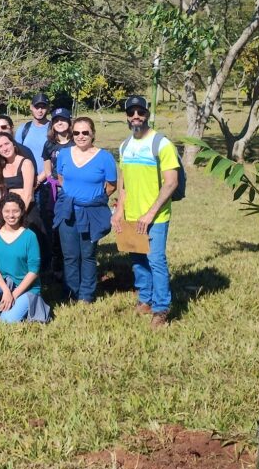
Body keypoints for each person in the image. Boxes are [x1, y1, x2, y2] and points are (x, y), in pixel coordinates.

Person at [111, 96, 180, 327]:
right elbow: (123, 183)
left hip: (156, 216)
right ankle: (145, 299)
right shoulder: (125, 146)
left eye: (140, 112)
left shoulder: (161, 144)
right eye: (131, 112)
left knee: (156, 260)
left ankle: (161, 309)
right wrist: (119, 211)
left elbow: (171, 182)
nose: (136, 116)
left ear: (147, 114)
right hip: (132, 215)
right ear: (127, 116)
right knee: (138, 260)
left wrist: (150, 214)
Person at [54, 117, 117, 304]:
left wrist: (95, 199)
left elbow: (112, 185)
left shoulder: (105, 157)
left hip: (91, 212)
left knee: (88, 254)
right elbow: (61, 178)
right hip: (68, 211)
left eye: (85, 132)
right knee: (70, 255)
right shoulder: (64, 154)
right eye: (76, 133)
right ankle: (71, 293)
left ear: (93, 134)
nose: (80, 136)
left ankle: (86, 295)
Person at [0, 194, 44, 323]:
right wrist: (6, 290)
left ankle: (26, 304)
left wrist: (14, 294)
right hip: (4, 282)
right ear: (0, 212)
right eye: (7, 211)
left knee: (6, 321)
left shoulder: (30, 236)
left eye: (15, 211)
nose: (11, 215)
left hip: (26, 287)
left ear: (22, 212)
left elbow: (34, 271)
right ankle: (4, 302)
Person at [41, 107, 73, 276]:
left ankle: (71, 263)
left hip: (72, 190)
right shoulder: (49, 145)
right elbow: (47, 170)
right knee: (54, 228)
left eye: (63, 119)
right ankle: (56, 266)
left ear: (69, 122)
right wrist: (53, 182)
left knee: (69, 226)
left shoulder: (76, 142)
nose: (60, 123)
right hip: (54, 191)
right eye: (56, 120)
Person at [16, 93, 51, 169]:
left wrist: (42, 176)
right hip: (26, 174)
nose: (40, 110)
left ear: (48, 108)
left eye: (43, 107)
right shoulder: (23, 129)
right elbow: (16, 154)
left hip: (48, 175)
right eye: (37, 107)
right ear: (31, 107)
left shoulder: (53, 129)